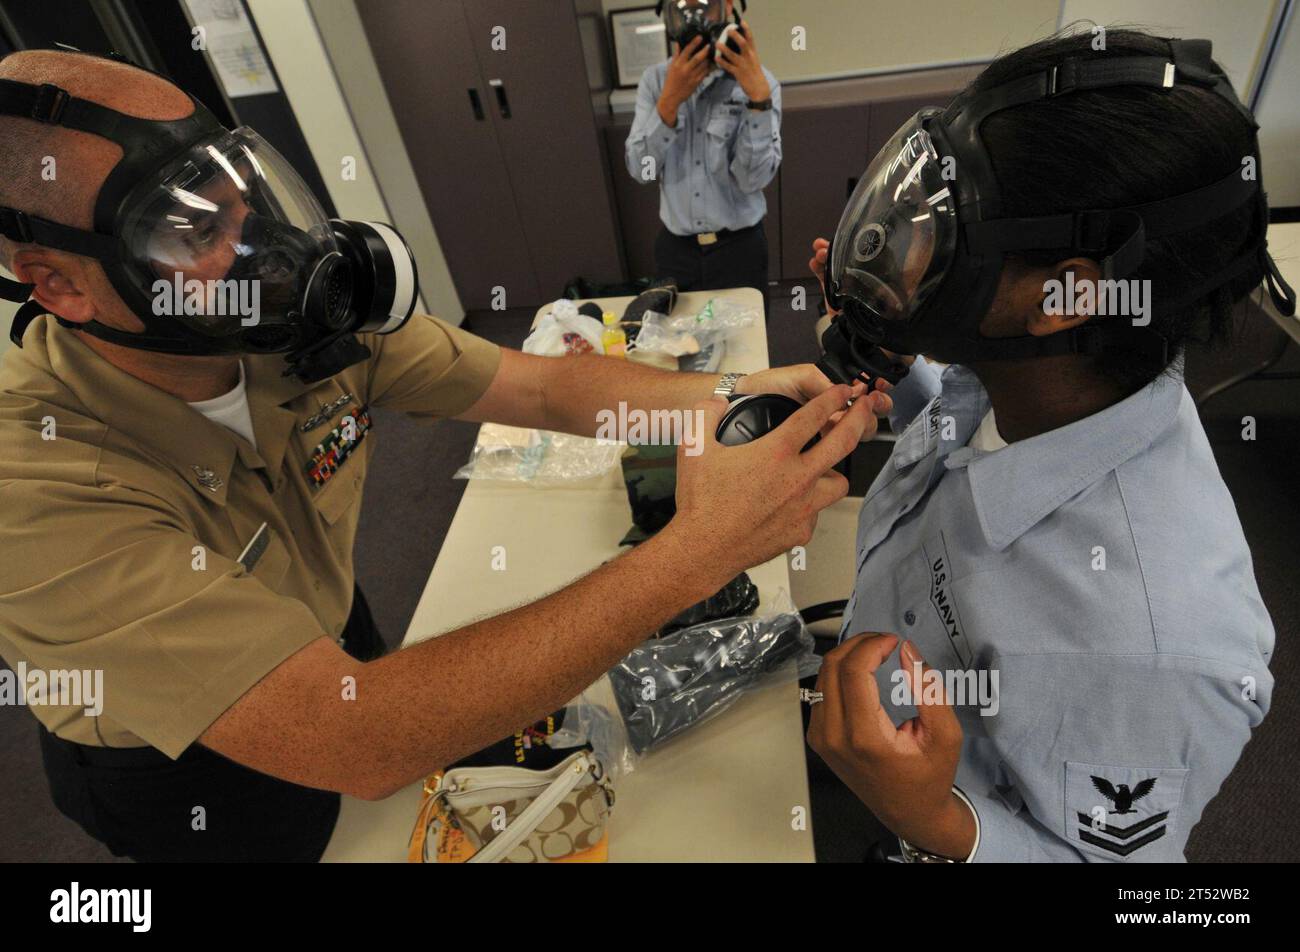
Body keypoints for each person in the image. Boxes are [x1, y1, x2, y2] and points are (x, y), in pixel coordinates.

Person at [0, 48, 887, 862]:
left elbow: (540, 388)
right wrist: (695, 552)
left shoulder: (303, 331)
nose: (261, 254)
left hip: (330, 633)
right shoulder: (35, 488)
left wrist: (738, 395)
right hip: (181, 759)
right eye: (196, 236)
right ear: (61, 283)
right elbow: (354, 739)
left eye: (243, 206)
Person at [803, 28, 1293, 862]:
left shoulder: (1156, 652)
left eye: (944, 232)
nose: (902, 244)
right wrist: (898, 373)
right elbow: (972, 438)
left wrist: (936, 821)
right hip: (863, 714)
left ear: (1069, 294)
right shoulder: (1030, 379)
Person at [625, 0, 780, 296]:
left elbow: (754, 180)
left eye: (704, 7)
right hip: (676, 249)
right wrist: (669, 102)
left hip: (740, 248)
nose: (693, 19)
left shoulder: (761, 84)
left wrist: (758, 100)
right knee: (676, 340)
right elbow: (640, 170)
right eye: (681, 9)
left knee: (745, 340)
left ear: (728, 8)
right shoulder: (655, 82)